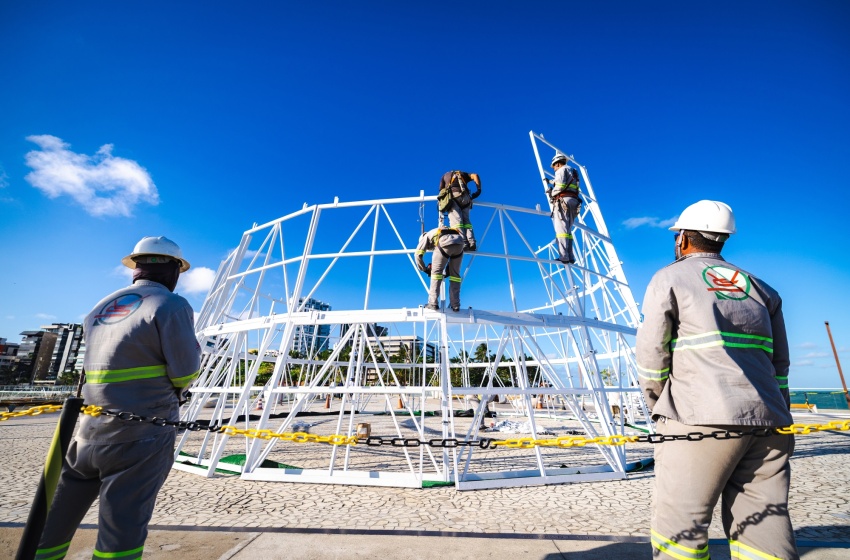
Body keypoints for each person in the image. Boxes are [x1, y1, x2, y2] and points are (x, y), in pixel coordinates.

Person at [635, 200, 797, 560]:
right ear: (723, 239)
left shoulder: (670, 278)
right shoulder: (762, 289)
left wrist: (660, 405)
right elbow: (780, 364)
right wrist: (778, 410)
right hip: (770, 421)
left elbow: (652, 356)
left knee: (681, 529)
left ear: (684, 239)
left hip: (698, 417)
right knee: (764, 528)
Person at [36, 236, 201, 560]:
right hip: (140, 433)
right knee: (122, 528)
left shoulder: (101, 306)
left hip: (88, 430)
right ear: (175, 271)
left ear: (135, 268)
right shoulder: (172, 304)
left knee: (56, 517)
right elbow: (184, 372)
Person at [415, 225, 466, 311]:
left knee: (436, 274)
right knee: (455, 276)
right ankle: (455, 305)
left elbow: (417, 255)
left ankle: (433, 303)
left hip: (444, 242)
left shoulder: (425, 237)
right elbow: (452, 245)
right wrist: (448, 269)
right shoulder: (437, 230)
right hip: (460, 243)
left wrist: (424, 269)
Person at [543, 153, 580, 264]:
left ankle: (564, 257)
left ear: (557, 163)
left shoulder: (560, 170)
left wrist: (551, 192)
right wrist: (551, 182)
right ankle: (571, 257)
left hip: (563, 201)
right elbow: (567, 182)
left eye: (554, 166)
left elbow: (561, 185)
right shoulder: (573, 171)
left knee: (561, 230)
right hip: (574, 201)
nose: (554, 169)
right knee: (568, 231)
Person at [438, 170, 482, 251]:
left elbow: (441, 190)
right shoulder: (462, 174)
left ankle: (463, 242)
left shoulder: (445, 175)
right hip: (466, 198)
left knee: (457, 222)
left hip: (454, 197)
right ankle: (472, 242)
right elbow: (475, 175)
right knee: (466, 221)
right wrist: (478, 190)